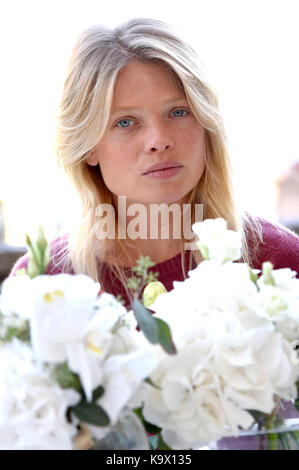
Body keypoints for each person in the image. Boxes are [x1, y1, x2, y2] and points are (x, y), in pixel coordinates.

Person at [10, 18, 299, 450]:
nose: (159, 140)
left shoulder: (278, 262)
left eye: (178, 112)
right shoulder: (44, 288)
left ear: (205, 124)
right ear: (88, 145)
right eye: (126, 122)